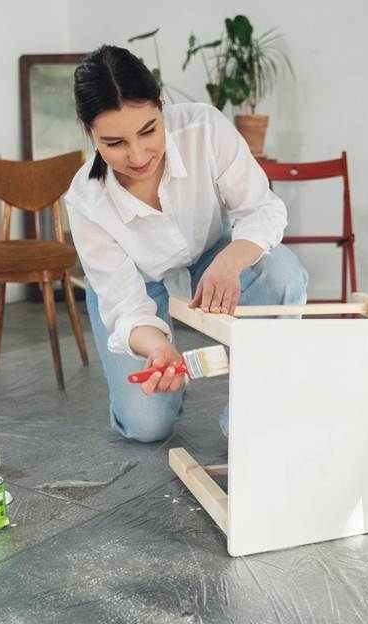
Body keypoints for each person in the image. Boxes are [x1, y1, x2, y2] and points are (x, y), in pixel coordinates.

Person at [65, 45, 307, 442]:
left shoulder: (204, 129)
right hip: (132, 283)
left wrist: (231, 260)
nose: (139, 155)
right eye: (115, 143)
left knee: (282, 273)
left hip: (212, 252)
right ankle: (158, 397)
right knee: (146, 426)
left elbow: (262, 209)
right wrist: (156, 347)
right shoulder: (85, 200)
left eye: (149, 130)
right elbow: (125, 305)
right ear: (89, 132)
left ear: (162, 107)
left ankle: (254, 410)